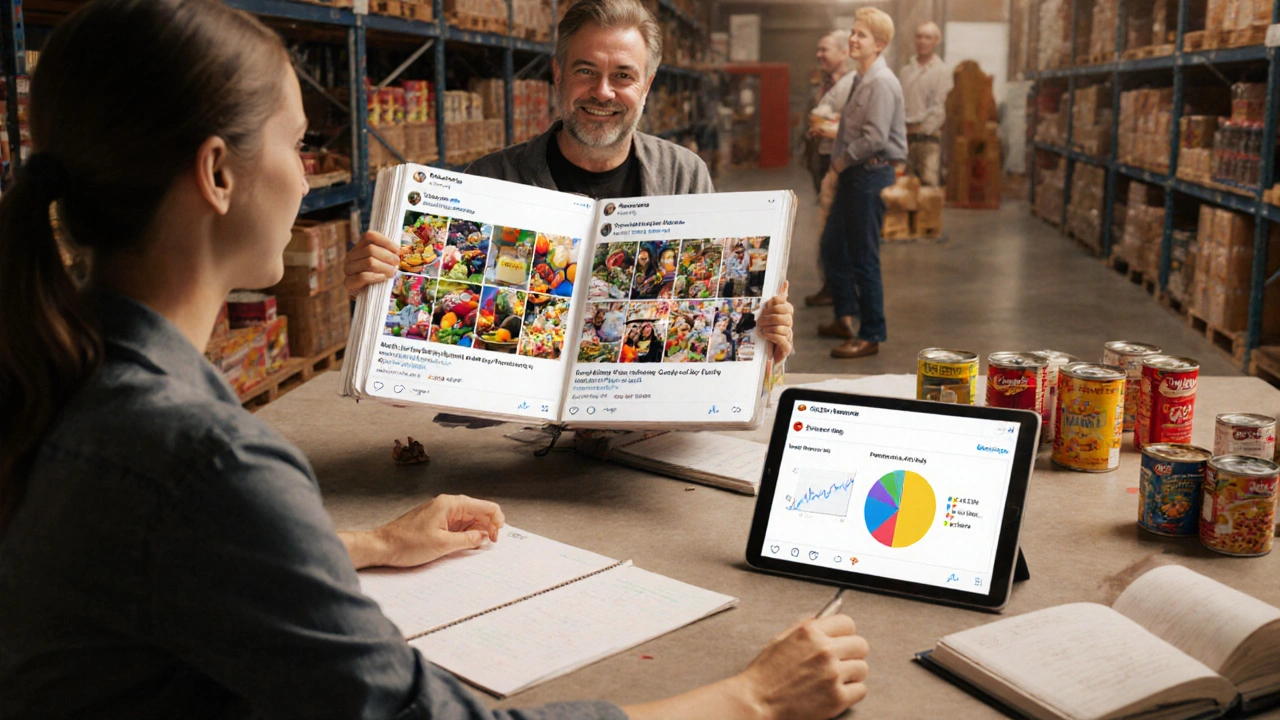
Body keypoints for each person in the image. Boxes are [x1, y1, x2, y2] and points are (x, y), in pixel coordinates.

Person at [0, 0, 873, 717]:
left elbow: (190, 562)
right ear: (219, 175)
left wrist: (365, 543)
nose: (310, 178)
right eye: (298, 144)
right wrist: (753, 697)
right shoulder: (206, 457)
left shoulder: (69, 379)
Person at [346, 0, 794, 362]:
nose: (603, 91)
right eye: (585, 71)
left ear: (647, 84)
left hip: (638, 414)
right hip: (506, 426)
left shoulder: (684, 173)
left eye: (623, 75)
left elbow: (704, 311)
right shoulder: (489, 181)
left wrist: (759, 340)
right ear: (558, 75)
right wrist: (374, 296)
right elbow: (433, 328)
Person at [818, 8, 907, 359]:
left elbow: (873, 138)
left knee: (863, 258)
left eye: (862, 35)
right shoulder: (861, 78)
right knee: (832, 247)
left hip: (870, 174)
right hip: (856, 174)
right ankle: (844, 316)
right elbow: (852, 129)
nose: (853, 39)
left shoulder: (881, 82)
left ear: (880, 44)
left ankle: (871, 334)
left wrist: (837, 164)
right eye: (853, 32)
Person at [803, 31, 857, 308]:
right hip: (821, 160)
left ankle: (844, 292)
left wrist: (830, 126)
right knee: (825, 225)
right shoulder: (823, 84)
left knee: (837, 229)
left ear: (843, 53)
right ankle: (830, 286)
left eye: (825, 50)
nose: (819, 55)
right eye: (818, 50)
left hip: (839, 162)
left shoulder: (852, 85)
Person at [899, 22, 952, 187]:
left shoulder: (941, 71)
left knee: (927, 192)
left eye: (928, 37)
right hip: (904, 140)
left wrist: (922, 130)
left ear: (936, 41)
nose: (922, 41)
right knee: (903, 190)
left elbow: (940, 108)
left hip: (928, 142)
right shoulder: (906, 71)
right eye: (919, 36)